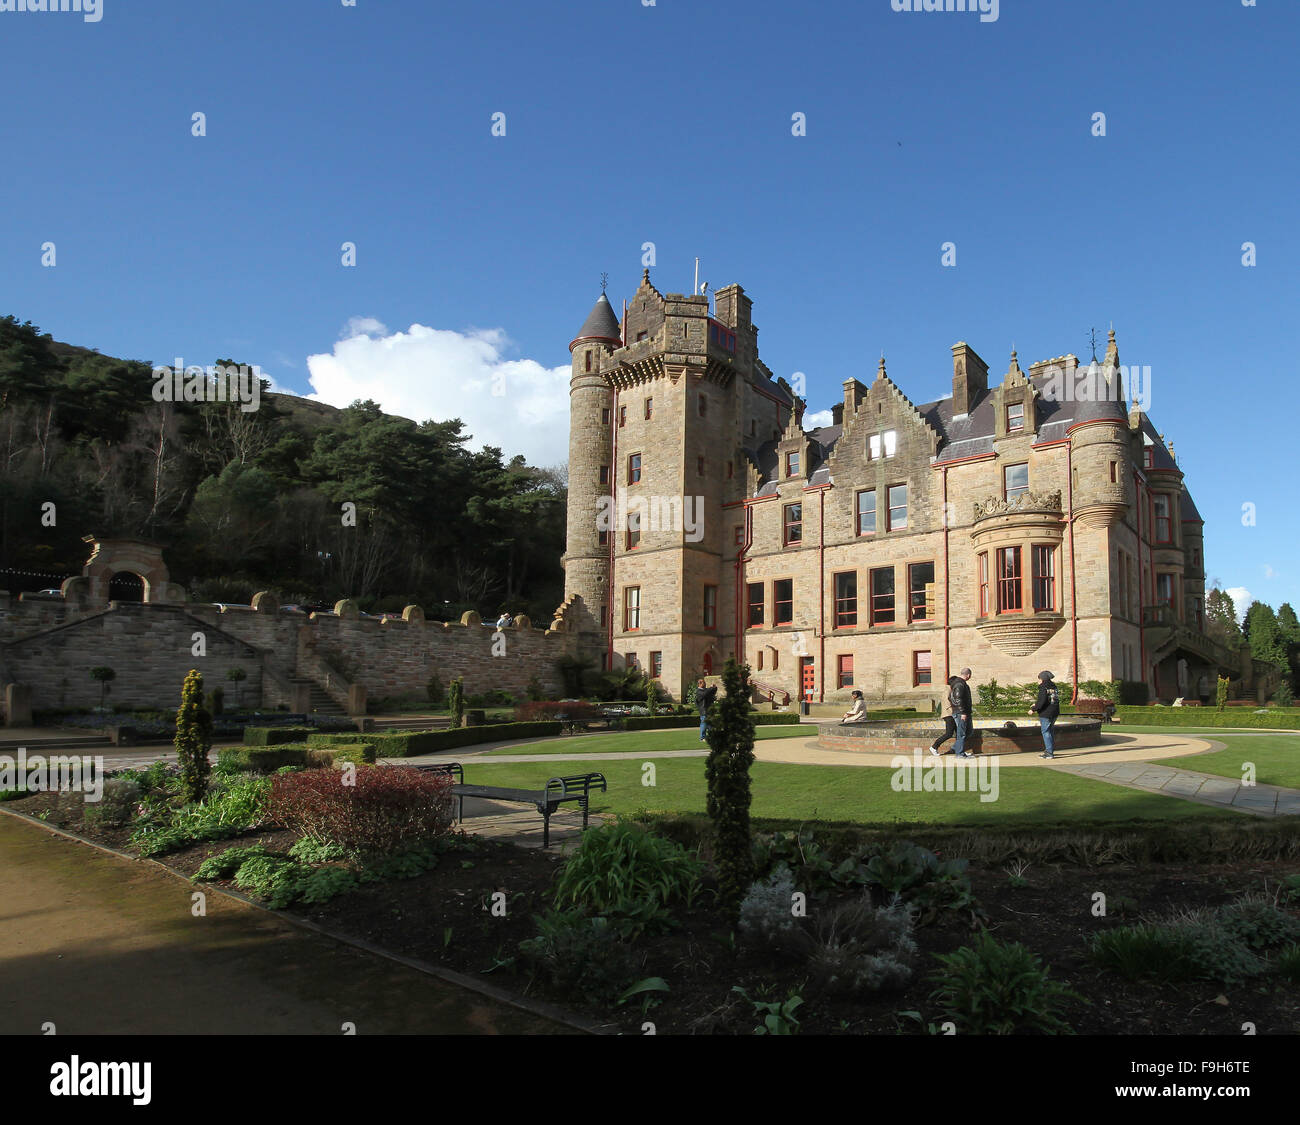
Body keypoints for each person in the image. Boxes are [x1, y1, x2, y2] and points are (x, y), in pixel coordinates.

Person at [1029, 670, 1061, 759]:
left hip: (1046, 713)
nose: (1039, 681)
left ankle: (1049, 753)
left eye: (1039, 678)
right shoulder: (1054, 687)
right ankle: (1049, 751)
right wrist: (1036, 705)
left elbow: (1042, 702)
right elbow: (1049, 700)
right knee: (1050, 731)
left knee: (1046, 732)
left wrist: (1033, 709)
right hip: (1054, 712)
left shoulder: (1043, 687)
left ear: (1042, 678)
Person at [930, 676, 962, 755]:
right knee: (949, 733)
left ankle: (959, 751)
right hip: (948, 715)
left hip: (950, 714)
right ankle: (934, 747)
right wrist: (954, 712)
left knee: (959, 733)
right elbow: (946, 703)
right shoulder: (947, 690)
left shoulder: (950, 689)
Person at [951, 667, 975, 758]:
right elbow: (958, 698)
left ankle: (956, 748)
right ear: (968, 675)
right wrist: (963, 712)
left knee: (969, 731)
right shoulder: (959, 683)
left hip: (964, 712)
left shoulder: (959, 683)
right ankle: (959, 753)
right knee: (962, 733)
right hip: (961, 713)